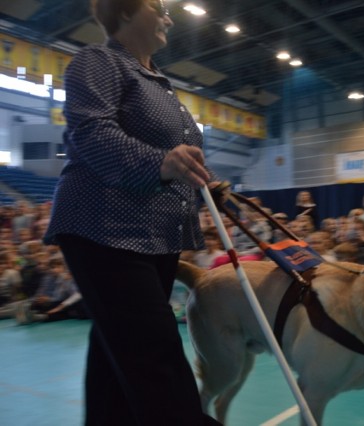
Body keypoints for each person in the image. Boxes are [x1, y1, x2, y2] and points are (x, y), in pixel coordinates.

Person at [42, 1, 224, 424]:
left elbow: (176, 157)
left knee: (117, 357)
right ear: (123, 11)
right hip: (103, 227)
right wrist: (162, 163)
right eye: (156, 7)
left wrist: (204, 185)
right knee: (154, 356)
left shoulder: (158, 82)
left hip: (153, 234)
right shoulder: (98, 61)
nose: (168, 16)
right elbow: (90, 130)